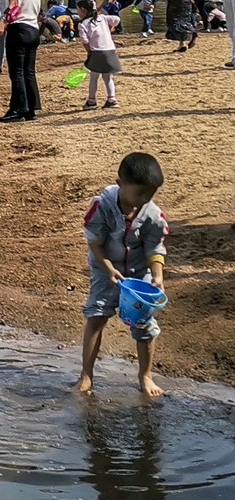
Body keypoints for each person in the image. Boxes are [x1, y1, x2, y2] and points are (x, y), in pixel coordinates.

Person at [77, 152, 168, 400]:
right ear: (120, 183)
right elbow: (95, 242)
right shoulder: (102, 206)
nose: (144, 200)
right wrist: (108, 268)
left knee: (144, 325)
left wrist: (157, 275)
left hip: (139, 275)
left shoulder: (151, 213)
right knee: (96, 316)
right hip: (104, 270)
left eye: (149, 194)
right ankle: (86, 374)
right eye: (139, 194)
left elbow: (155, 247)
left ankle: (145, 375)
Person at [0, 0, 42, 122]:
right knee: (28, 71)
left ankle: (20, 109)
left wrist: (3, 22)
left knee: (16, 72)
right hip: (33, 29)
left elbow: (14, 6)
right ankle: (30, 108)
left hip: (19, 29)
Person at [77, 0, 121, 110]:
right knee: (107, 77)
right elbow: (117, 19)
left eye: (78, 10)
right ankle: (112, 99)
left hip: (96, 52)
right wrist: (110, 27)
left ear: (83, 10)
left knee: (94, 77)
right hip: (110, 50)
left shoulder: (83, 24)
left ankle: (91, 101)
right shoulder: (103, 18)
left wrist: (89, 52)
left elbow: (85, 41)